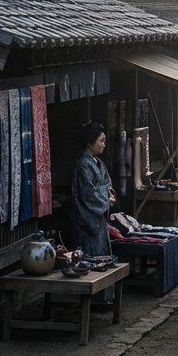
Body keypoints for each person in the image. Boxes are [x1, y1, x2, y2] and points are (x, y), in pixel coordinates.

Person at [70, 122, 115, 301]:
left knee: (102, 257)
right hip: (88, 220)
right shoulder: (83, 165)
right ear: (90, 143)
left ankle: (103, 297)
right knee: (90, 259)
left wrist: (109, 195)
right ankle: (91, 299)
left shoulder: (98, 163)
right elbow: (88, 194)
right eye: (101, 141)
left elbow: (106, 184)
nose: (104, 144)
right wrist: (106, 198)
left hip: (99, 219)